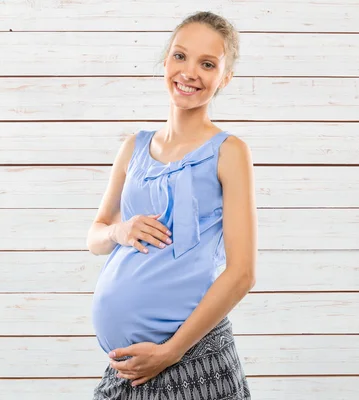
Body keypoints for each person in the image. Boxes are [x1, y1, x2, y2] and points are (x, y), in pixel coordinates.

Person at [86, 11, 257, 400]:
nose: (190, 72)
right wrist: (119, 230)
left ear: (225, 78)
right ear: (165, 61)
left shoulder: (229, 152)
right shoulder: (133, 147)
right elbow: (95, 237)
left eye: (208, 63)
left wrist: (170, 351)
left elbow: (242, 273)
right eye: (180, 56)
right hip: (128, 370)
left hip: (193, 360)